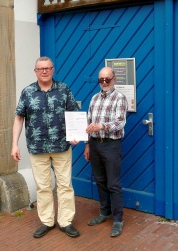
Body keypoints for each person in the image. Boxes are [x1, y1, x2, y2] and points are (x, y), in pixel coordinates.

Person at [11, 56, 80, 239]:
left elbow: (74, 113)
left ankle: (66, 221)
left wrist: (76, 135)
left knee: (65, 185)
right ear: (35, 71)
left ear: (53, 70)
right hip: (37, 147)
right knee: (43, 187)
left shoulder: (63, 89)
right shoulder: (27, 92)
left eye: (48, 68)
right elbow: (19, 118)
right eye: (41, 68)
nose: (44, 71)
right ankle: (47, 221)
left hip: (62, 146)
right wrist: (14, 145)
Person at [84, 67, 128, 237]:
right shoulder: (94, 98)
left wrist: (102, 126)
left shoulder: (120, 98)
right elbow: (88, 122)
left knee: (113, 184)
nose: (104, 83)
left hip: (111, 145)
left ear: (114, 79)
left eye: (107, 79)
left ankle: (118, 219)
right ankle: (105, 212)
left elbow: (120, 122)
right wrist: (88, 145)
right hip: (95, 144)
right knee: (100, 180)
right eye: (101, 80)